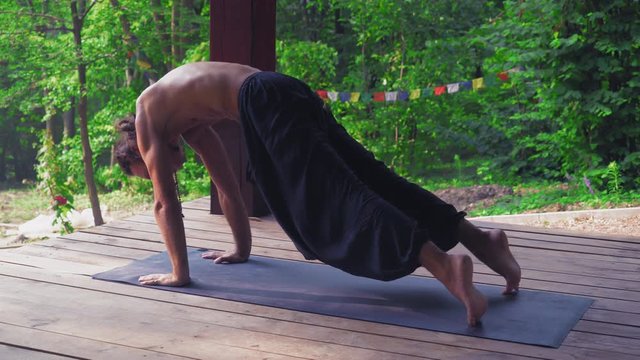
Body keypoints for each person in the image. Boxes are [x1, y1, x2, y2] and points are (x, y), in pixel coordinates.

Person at [114, 61, 521, 326]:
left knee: (330, 203)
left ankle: (445, 266)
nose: (159, 172)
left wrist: (179, 275)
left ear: (138, 146)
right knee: (372, 178)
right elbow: (227, 187)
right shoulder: (186, 116)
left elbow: (165, 203)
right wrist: (240, 249)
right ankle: (482, 240)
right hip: (282, 89)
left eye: (148, 169)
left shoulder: (148, 110)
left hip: (264, 101)